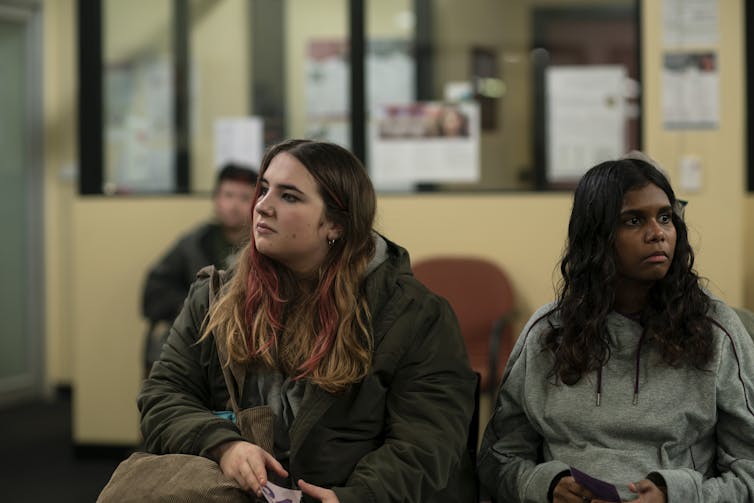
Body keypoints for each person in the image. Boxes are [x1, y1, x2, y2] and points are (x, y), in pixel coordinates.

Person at [138, 139, 477, 502]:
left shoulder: (414, 314)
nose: (261, 207)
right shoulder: (215, 297)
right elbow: (162, 396)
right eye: (264, 189)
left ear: (335, 225)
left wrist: (356, 496)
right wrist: (223, 445)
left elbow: (427, 442)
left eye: (289, 197)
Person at [477, 156, 754, 502]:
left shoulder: (715, 330)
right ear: (597, 237)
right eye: (634, 220)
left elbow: (748, 469)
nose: (658, 234)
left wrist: (680, 495)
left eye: (666, 218)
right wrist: (544, 486)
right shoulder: (548, 333)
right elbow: (497, 459)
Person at [141, 163, 257, 372]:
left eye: (244, 198)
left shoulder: (265, 246)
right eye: (228, 195)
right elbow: (154, 293)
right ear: (216, 199)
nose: (234, 205)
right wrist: (196, 308)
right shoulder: (193, 244)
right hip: (198, 343)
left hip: (250, 346)